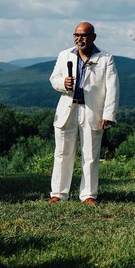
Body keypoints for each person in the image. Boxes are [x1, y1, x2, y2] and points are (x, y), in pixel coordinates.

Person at [47, 22, 119, 206]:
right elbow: (53, 79)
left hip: (92, 111)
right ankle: (58, 193)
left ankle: (88, 195)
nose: (80, 38)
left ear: (93, 37)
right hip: (67, 110)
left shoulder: (105, 58)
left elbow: (112, 87)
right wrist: (64, 83)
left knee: (90, 154)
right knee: (62, 153)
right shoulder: (64, 55)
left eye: (84, 35)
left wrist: (108, 114)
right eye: (77, 35)